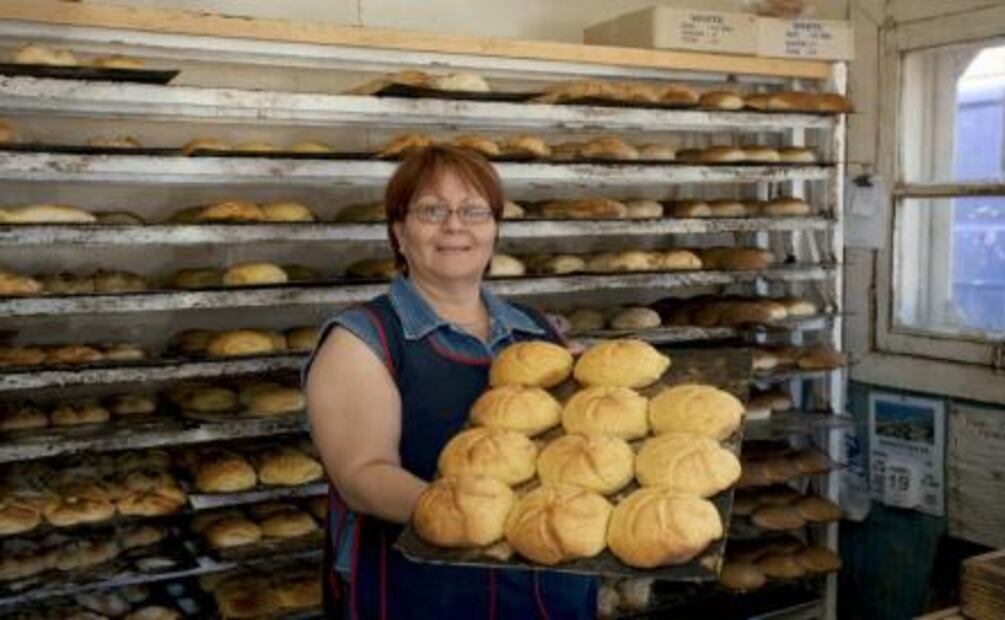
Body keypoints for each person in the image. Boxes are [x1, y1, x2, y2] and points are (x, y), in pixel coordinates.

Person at [304, 145, 597, 619]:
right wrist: (488, 515)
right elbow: (363, 476)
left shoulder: (535, 328)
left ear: (494, 228)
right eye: (431, 210)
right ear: (399, 232)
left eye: (474, 210)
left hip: (549, 590)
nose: (455, 225)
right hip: (425, 597)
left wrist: (585, 395)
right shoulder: (364, 339)